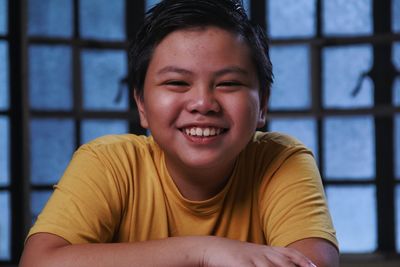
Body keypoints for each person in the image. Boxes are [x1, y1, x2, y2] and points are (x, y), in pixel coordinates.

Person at [19, 0, 339, 266]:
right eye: (177, 83)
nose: (203, 103)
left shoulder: (281, 159)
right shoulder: (107, 162)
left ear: (263, 105)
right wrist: (201, 251)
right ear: (141, 104)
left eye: (228, 83)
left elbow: (311, 263)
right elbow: (39, 262)